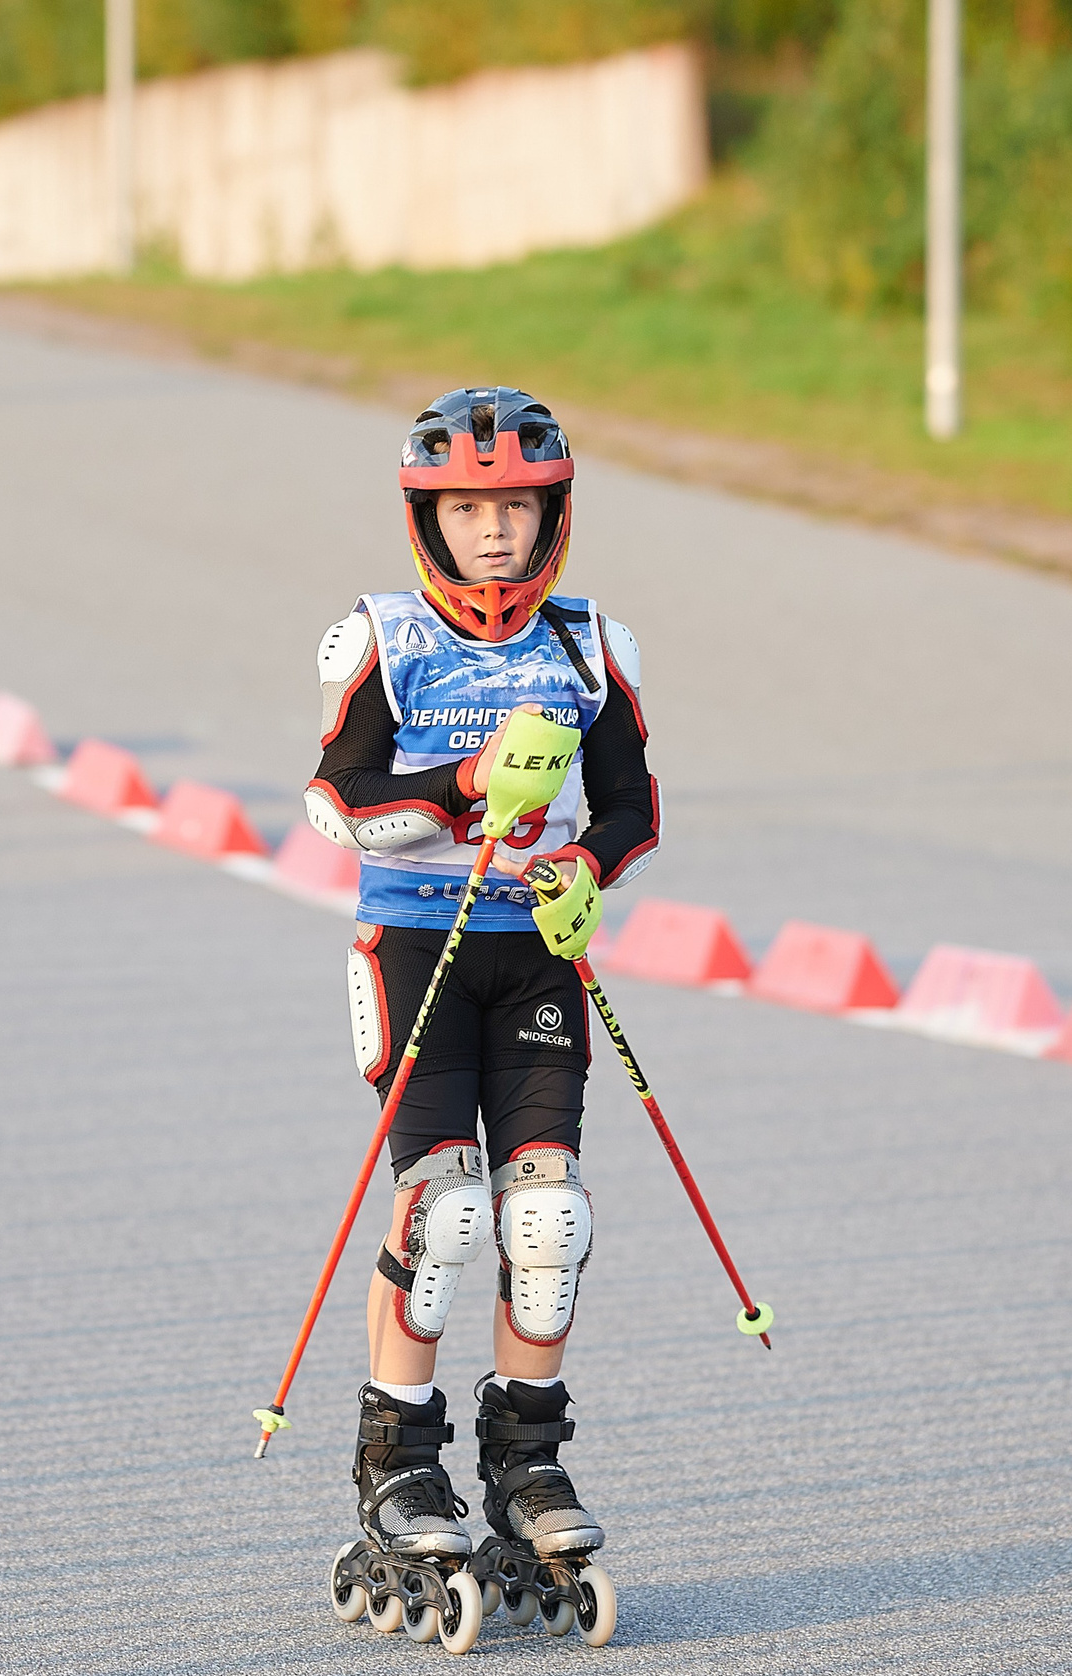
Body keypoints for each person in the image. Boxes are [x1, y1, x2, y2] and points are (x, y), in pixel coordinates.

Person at [305, 388, 660, 1600]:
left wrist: (586, 867)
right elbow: (335, 799)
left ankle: (524, 1465)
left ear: (549, 510)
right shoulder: (383, 636)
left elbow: (631, 804)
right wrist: (461, 784)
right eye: (467, 508)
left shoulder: (585, 644)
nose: (492, 532)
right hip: (417, 949)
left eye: (512, 506)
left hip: (535, 955)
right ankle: (399, 1465)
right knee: (446, 1207)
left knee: (546, 1215)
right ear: (430, 519)